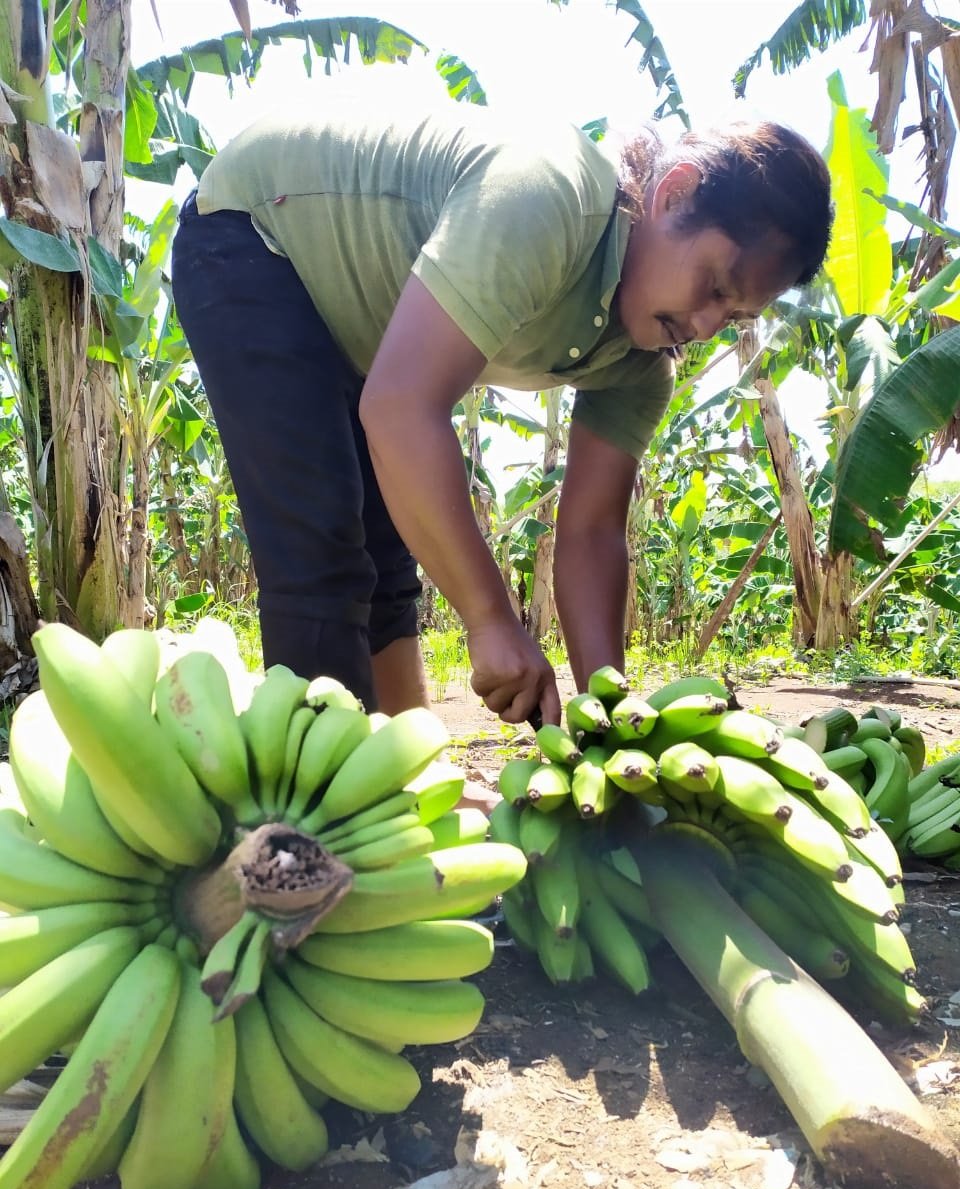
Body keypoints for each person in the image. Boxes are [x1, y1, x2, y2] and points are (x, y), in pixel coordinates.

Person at [171, 96, 832, 731]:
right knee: (318, 545)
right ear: (675, 192)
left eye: (735, 315)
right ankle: (326, 808)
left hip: (361, 328)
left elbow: (592, 534)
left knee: (385, 556)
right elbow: (403, 407)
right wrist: (490, 617)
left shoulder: (641, 362)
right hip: (254, 233)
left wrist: (609, 715)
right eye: (715, 285)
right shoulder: (547, 198)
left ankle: (408, 768)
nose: (706, 323)